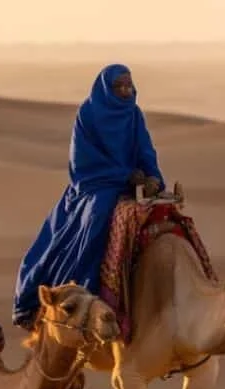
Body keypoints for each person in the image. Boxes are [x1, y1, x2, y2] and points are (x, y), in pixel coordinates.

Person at [12, 63, 165, 329]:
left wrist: (153, 177)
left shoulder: (133, 114)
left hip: (133, 184)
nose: (126, 91)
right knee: (98, 218)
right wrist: (124, 175)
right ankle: (80, 290)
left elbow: (145, 149)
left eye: (129, 85)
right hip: (96, 184)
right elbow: (83, 161)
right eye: (120, 86)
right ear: (106, 88)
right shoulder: (89, 113)